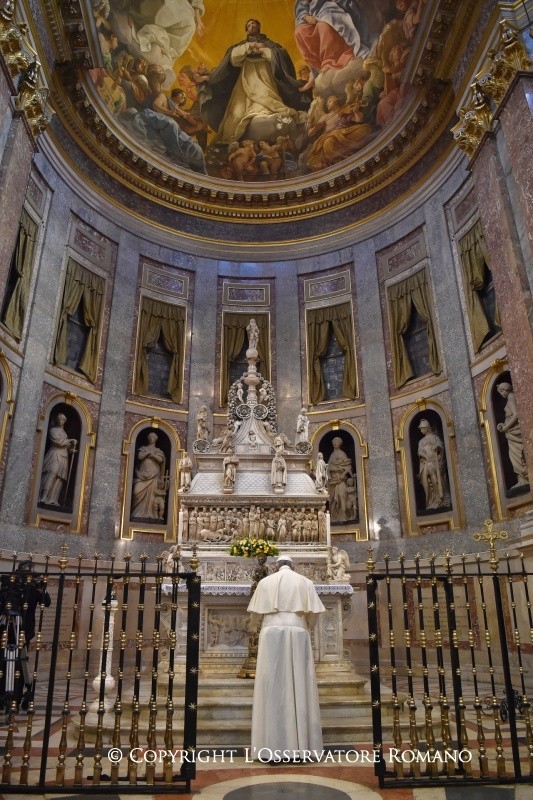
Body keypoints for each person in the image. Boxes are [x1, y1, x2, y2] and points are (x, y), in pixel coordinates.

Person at [247, 555, 325, 759]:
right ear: (294, 566)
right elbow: (314, 614)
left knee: (271, 684)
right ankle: (301, 746)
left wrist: (253, 627)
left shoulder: (265, 582)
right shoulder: (305, 582)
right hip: (298, 632)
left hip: (271, 632)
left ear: (275, 567)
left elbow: (255, 614)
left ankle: (270, 746)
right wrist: (306, 623)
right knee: (299, 681)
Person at [199, 19, 311, 144]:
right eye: (249, 25)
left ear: (259, 26)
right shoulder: (242, 45)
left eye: (254, 24)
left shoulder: (270, 44)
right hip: (245, 80)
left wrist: (264, 50)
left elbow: (280, 54)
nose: (251, 26)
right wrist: (250, 46)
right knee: (237, 112)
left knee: (267, 99)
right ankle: (231, 138)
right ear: (246, 30)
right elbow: (233, 58)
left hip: (265, 78)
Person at [294, 0, 370, 80]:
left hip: (327, 10)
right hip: (313, 18)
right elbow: (301, 7)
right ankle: (318, 67)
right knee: (299, 32)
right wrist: (306, 17)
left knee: (323, 26)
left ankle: (329, 60)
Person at [39, 413, 77, 507]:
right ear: (57, 420)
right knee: (52, 473)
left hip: (64, 457)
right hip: (55, 454)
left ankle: (53, 499)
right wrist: (70, 440)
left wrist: (71, 449)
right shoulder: (53, 430)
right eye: (59, 419)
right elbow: (58, 442)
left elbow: (65, 446)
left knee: (59, 479)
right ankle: (43, 496)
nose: (61, 421)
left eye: (63, 420)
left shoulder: (64, 433)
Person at [496, 382, 529, 489]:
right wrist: (503, 425)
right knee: (515, 456)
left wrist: (506, 427)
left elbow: (516, 415)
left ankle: (524, 479)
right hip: (512, 432)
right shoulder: (510, 398)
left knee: (516, 456)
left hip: (514, 432)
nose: (501, 394)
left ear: (506, 390)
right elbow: (510, 417)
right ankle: (522, 479)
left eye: (501, 391)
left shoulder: (511, 399)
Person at [416, 419, 450, 510]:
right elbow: (420, 451)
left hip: (436, 462)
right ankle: (434, 499)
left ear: (427, 428)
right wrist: (425, 456)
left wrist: (437, 446)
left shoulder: (435, 438)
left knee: (438, 478)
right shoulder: (421, 441)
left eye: (422, 428)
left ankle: (442, 497)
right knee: (428, 479)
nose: (421, 430)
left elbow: (441, 445)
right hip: (427, 463)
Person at [131, 431, 166, 517]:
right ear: (148, 439)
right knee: (136, 492)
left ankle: (150, 513)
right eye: (150, 437)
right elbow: (140, 456)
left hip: (153, 475)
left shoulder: (158, 451)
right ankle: (136, 512)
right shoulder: (143, 448)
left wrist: (150, 455)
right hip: (142, 475)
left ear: (155, 439)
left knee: (151, 496)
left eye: (153, 437)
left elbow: (160, 460)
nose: (151, 439)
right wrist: (149, 453)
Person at [326, 436, 354, 522]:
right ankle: (333, 516)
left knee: (342, 497)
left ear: (340, 444)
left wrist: (342, 474)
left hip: (341, 480)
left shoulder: (342, 454)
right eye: (334, 441)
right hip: (332, 481)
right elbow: (328, 467)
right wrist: (332, 471)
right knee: (332, 499)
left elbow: (348, 467)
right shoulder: (332, 455)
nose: (335, 443)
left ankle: (344, 515)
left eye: (337, 441)